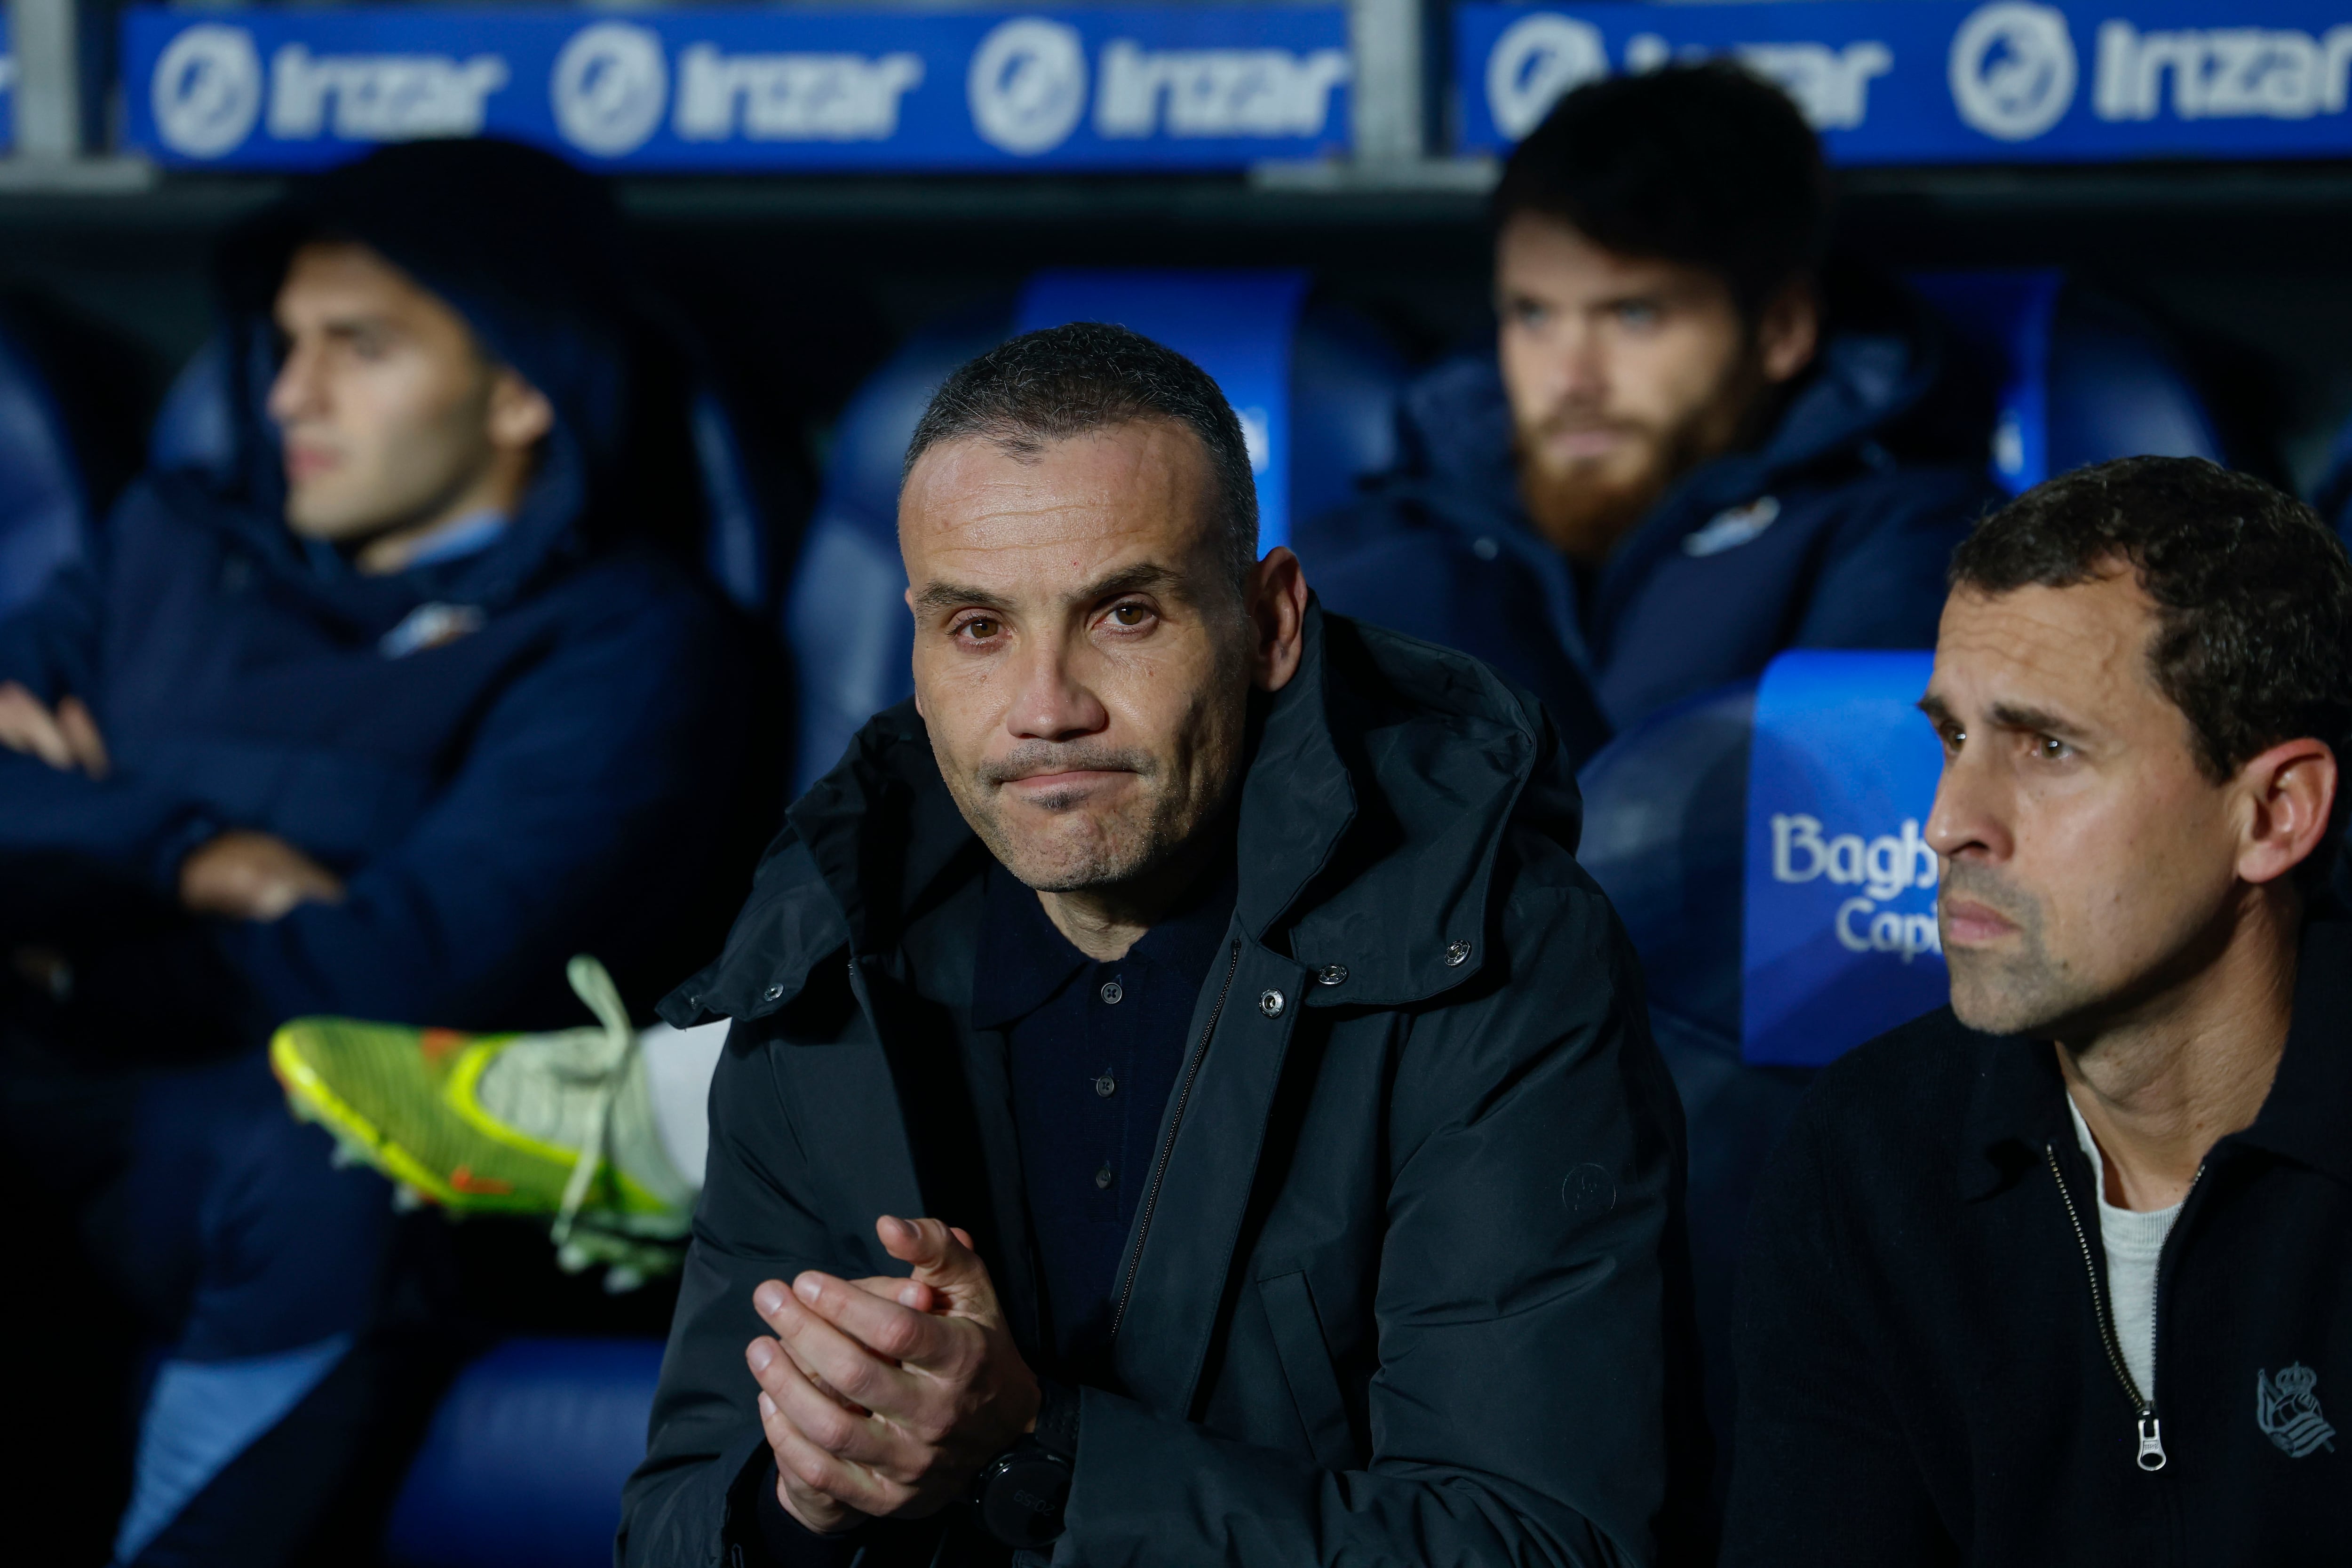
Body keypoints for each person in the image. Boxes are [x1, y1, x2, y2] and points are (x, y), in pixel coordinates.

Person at [609, 321, 1702, 1566]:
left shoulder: (1486, 942)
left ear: (1273, 623)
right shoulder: (827, 951)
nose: (1045, 707)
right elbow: (674, 1527)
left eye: (1124, 612)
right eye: (979, 629)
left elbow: (1543, 1542)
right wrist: (806, 1495)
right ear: (913, 642)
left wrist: (1036, 1448)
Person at [0, 140, 753, 1567]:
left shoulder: (628, 647)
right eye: (285, 345)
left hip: (284, 1148)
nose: (289, 397)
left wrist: (64, 925)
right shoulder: (167, 545)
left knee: (323, 1160)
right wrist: (196, 855)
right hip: (53, 1078)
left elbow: (413, 968)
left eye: (359, 348)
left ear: (522, 388)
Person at [1724, 457, 2352, 1563]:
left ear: (2274, 813)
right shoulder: (1864, 1153)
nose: (1948, 822)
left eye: (2048, 748)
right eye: (1951, 738)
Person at [1295, 63, 1997, 761]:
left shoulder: (1907, 539)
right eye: (1533, 314)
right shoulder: (1382, 546)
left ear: (1781, 328)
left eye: (1633, 314)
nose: (1571, 379)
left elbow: (1840, 822)